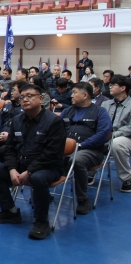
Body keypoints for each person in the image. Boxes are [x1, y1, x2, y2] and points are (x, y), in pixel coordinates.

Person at [0, 83, 66, 240]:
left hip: (48, 167)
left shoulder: (54, 122)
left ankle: (41, 222)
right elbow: (9, 149)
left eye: (30, 96)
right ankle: (10, 211)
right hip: (22, 165)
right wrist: (12, 169)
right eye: (22, 97)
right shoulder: (17, 120)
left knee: (38, 178)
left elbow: (52, 154)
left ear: (41, 99)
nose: (25, 100)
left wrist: (29, 171)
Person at [60, 82, 112, 214]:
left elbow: (103, 134)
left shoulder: (100, 112)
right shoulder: (67, 111)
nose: (71, 96)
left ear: (84, 95)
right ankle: (43, 193)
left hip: (90, 151)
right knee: (41, 153)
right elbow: (55, 129)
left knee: (77, 160)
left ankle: (82, 200)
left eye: (74, 92)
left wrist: (82, 145)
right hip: (65, 149)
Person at [102, 75, 131, 192]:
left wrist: (114, 134)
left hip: (126, 137)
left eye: (113, 85)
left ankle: (127, 178)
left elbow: (130, 127)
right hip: (106, 135)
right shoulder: (105, 104)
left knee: (116, 143)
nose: (110, 87)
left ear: (123, 88)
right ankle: (89, 173)